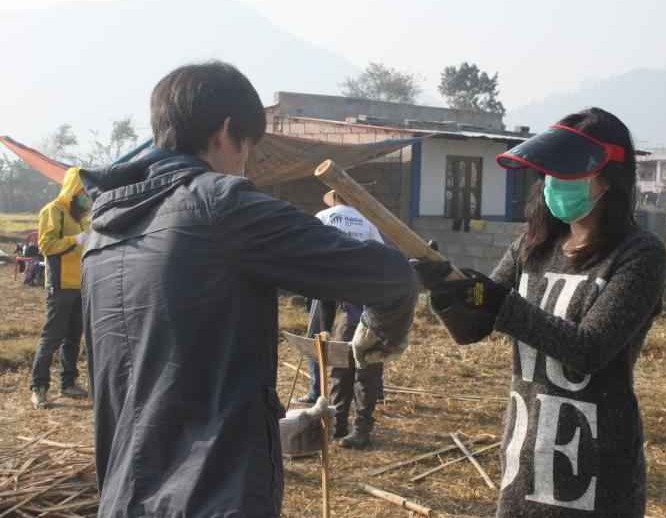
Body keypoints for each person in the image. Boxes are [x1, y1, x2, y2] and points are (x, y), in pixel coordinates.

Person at [79, 61, 416, 517]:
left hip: (123, 495)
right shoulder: (220, 203)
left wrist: (274, 428)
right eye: (248, 147)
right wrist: (380, 331)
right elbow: (389, 275)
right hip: (214, 497)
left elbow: (152, 384)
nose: (246, 163)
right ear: (226, 131)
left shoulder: (102, 231)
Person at [412, 108, 666, 518]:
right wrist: (447, 291)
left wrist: (494, 299)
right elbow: (473, 328)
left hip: (597, 474)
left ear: (608, 178)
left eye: (565, 174)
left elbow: (588, 349)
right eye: (548, 175)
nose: (552, 185)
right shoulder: (532, 246)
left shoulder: (639, 255)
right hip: (526, 457)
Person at [297, 189, 384, 407]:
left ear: (335, 198)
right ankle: (377, 392)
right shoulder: (366, 220)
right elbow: (381, 251)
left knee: (318, 337)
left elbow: (308, 244)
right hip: (358, 286)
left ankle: (318, 391)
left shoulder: (324, 216)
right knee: (367, 335)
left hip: (327, 280)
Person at [30, 166, 91, 409]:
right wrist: (74, 240)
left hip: (79, 284)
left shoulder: (78, 217)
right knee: (52, 336)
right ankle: (39, 387)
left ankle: (68, 382)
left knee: (73, 337)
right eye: (83, 191)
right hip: (60, 285)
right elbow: (45, 244)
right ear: (73, 189)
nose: (86, 196)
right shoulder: (53, 210)